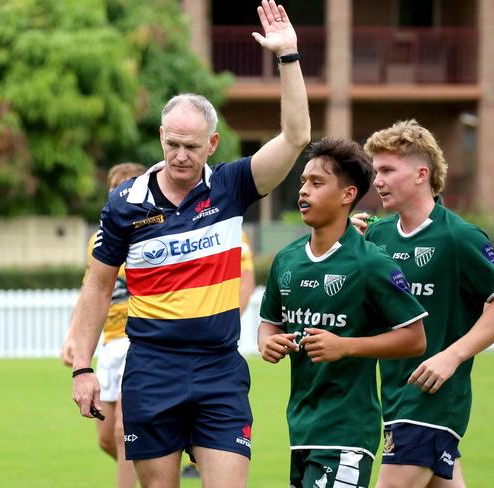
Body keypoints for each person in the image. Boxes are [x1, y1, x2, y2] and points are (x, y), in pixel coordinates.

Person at [71, 2, 311, 487]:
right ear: (161, 136)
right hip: (151, 369)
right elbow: (97, 288)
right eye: (172, 144)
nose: (181, 156)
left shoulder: (232, 187)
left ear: (213, 144)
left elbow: (296, 136)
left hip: (218, 369)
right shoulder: (124, 203)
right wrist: (82, 367)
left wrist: (288, 57)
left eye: (192, 146)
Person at [258, 138, 428, 488]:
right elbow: (268, 324)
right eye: (303, 181)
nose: (303, 191)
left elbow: (414, 339)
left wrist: (346, 346)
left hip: (348, 432)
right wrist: (268, 343)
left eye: (317, 183)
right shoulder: (287, 260)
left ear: (347, 195)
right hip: (301, 428)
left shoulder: (371, 263)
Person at [354, 120, 494, 488]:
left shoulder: (459, 237)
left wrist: (451, 357)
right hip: (393, 396)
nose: (377, 181)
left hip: (433, 400)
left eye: (388, 170)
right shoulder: (377, 235)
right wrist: (347, 246)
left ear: (422, 174)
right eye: (376, 171)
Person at [62, 163, 146, 488]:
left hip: (139, 341)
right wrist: (72, 336)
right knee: (106, 439)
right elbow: (91, 290)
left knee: (124, 431)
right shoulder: (102, 238)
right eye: (114, 185)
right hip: (110, 344)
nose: (118, 190)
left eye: (126, 184)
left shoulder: (152, 230)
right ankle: (157, 461)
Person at [180, 230, 256, 480]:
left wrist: (226, 320)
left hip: (216, 349)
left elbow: (247, 277)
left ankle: (203, 458)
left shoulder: (229, 225)